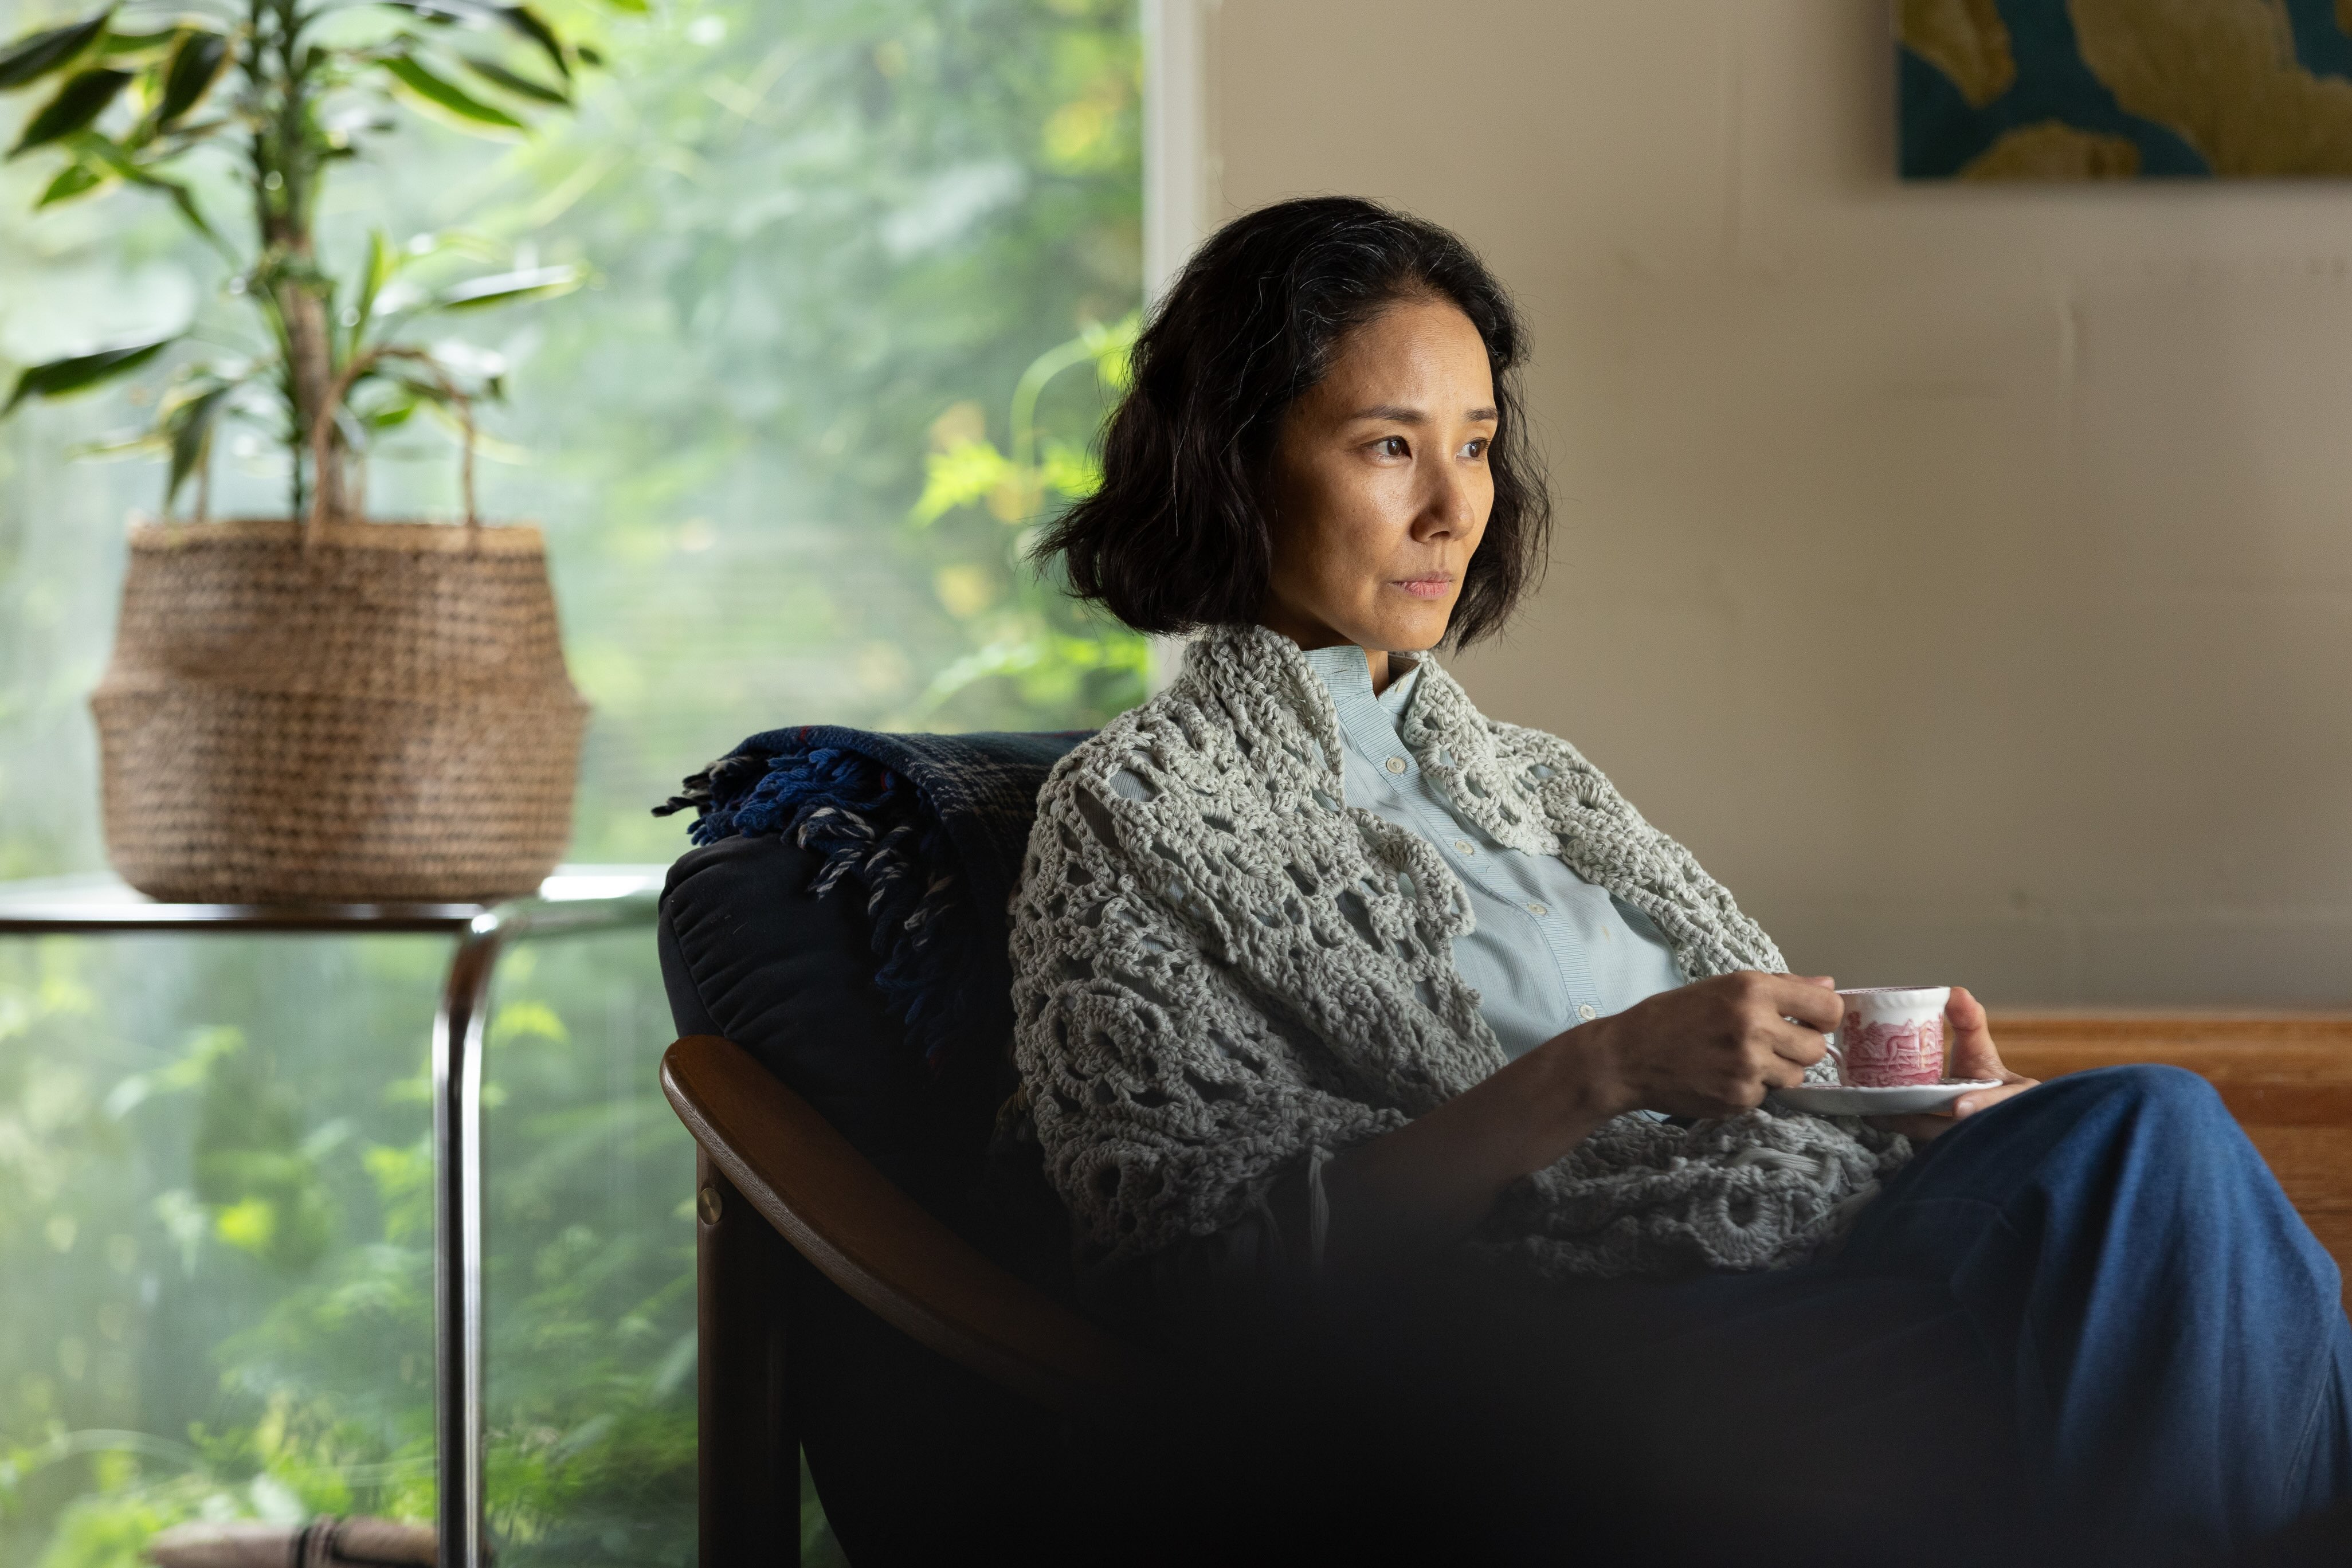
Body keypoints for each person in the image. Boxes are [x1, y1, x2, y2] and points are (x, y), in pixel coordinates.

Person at [998, 196, 2352, 1565]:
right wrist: (1601, 1070)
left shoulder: (1540, 781)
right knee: (2198, 1263)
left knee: (2145, 1144)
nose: (1454, 506)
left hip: (1811, 1233)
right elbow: (1191, 1278)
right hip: (1581, 1334)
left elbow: (1748, 1074)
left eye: (1475, 446)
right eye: (1387, 447)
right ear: (1235, 460)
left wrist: (1913, 1103)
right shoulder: (1132, 812)